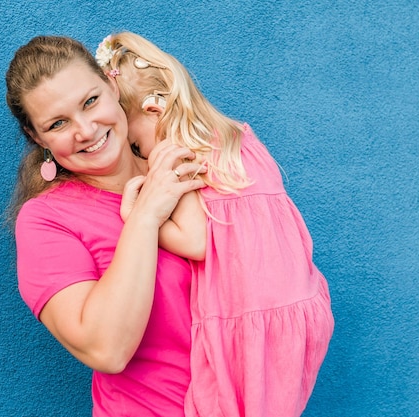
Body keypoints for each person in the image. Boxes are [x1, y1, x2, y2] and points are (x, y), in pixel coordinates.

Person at [95, 32, 335, 417]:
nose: (139, 154)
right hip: (300, 309)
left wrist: (136, 217)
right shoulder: (237, 136)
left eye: (136, 142)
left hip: (246, 318)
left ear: (155, 111)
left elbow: (196, 241)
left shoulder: (175, 151)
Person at [5, 35, 207, 417]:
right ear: (37, 138)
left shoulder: (188, 162)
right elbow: (106, 349)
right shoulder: (46, 222)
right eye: (58, 123)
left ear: (112, 85)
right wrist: (146, 216)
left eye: (90, 101)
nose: (85, 130)